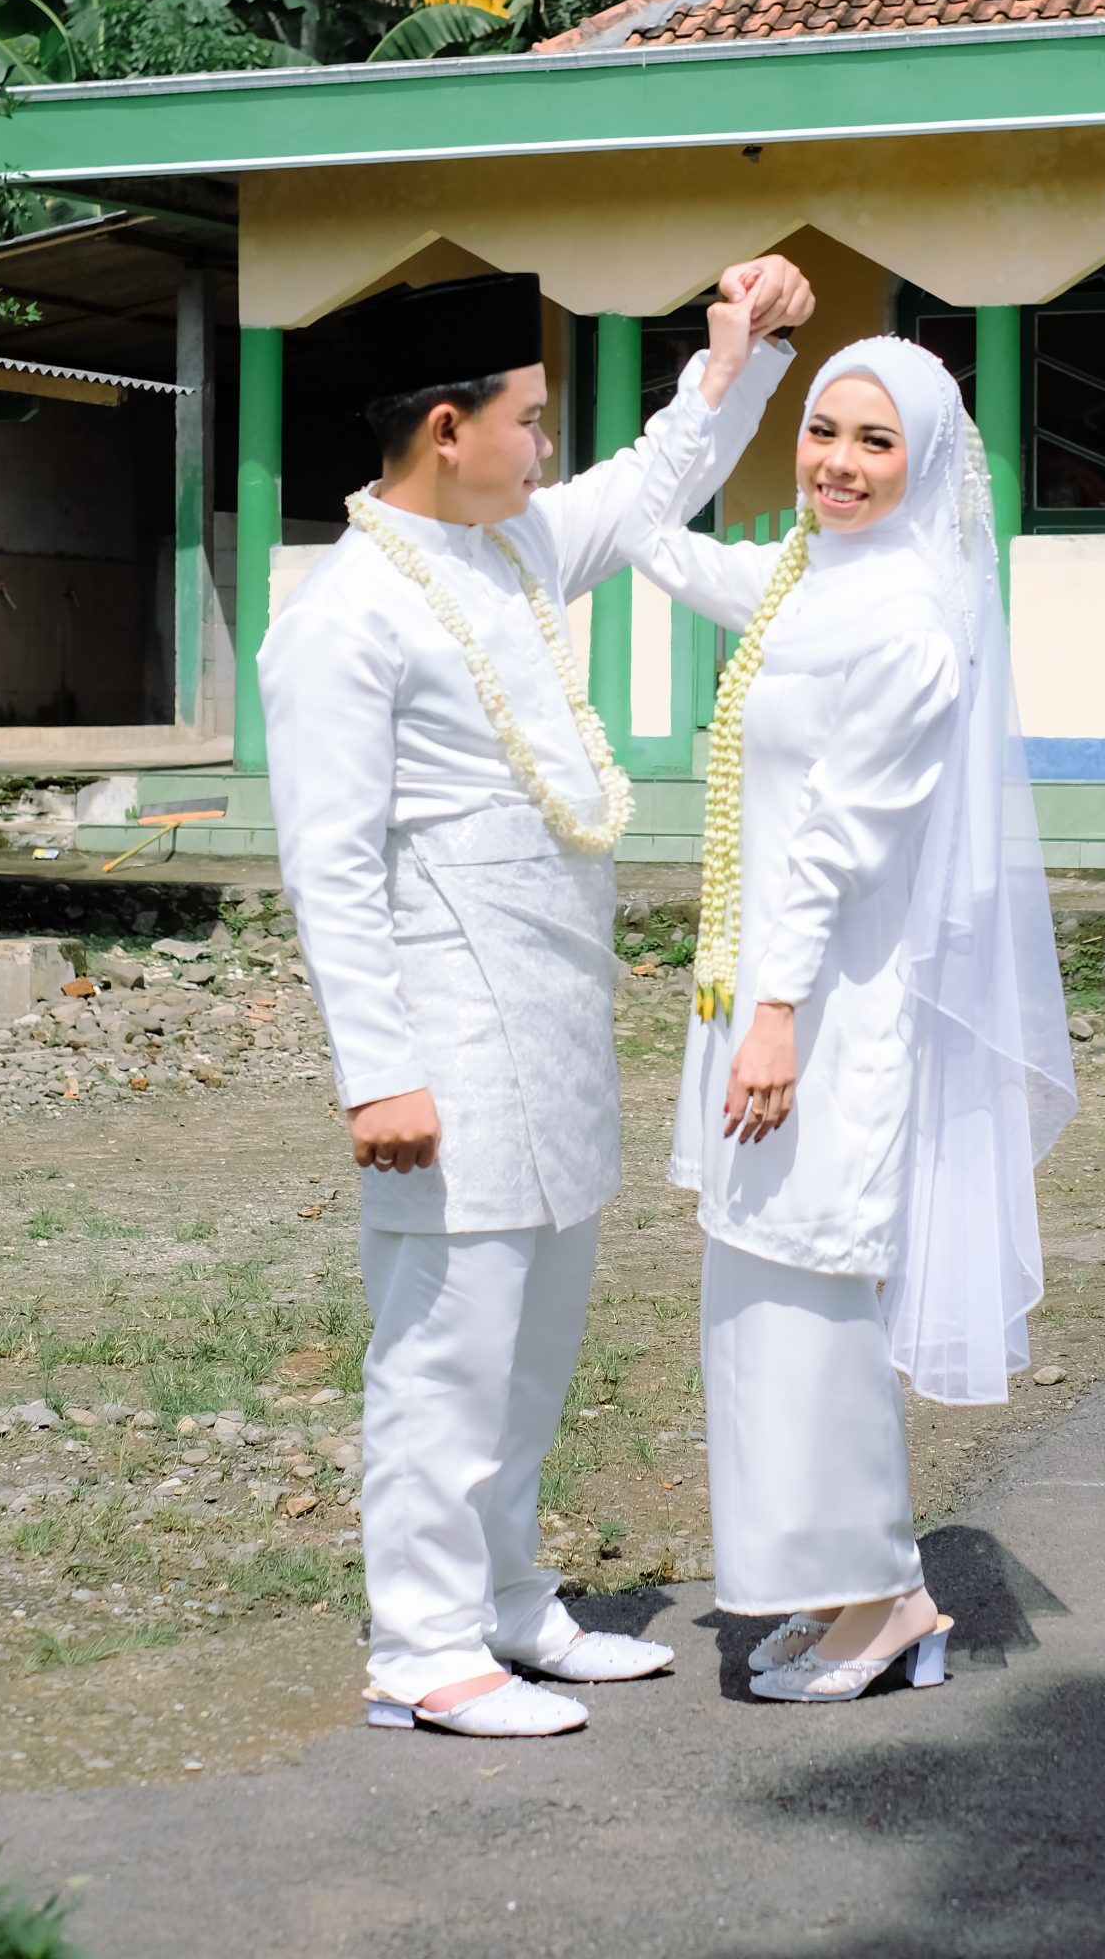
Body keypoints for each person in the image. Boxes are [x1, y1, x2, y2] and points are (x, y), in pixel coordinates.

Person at [258, 258, 811, 1740]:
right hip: (442, 1038)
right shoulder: (345, 613)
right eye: (530, 417)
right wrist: (378, 1072)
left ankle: (506, 1602)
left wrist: (740, 352)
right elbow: (329, 867)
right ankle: (420, 1647)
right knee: (445, 1348)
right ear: (449, 430)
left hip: (552, 1024)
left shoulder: (508, 550)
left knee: (531, 1343)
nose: (549, 444)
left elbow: (650, 484)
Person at [620, 331, 1077, 1703]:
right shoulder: (802, 578)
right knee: (756, 1296)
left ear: (924, 461)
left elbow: (836, 840)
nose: (840, 463)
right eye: (825, 430)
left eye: (877, 442)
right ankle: (827, 1584)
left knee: (815, 1293)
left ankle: (887, 1601)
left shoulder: (913, 623)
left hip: (827, 1011)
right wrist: (726, 371)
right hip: (762, 995)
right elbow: (653, 536)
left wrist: (774, 1019)